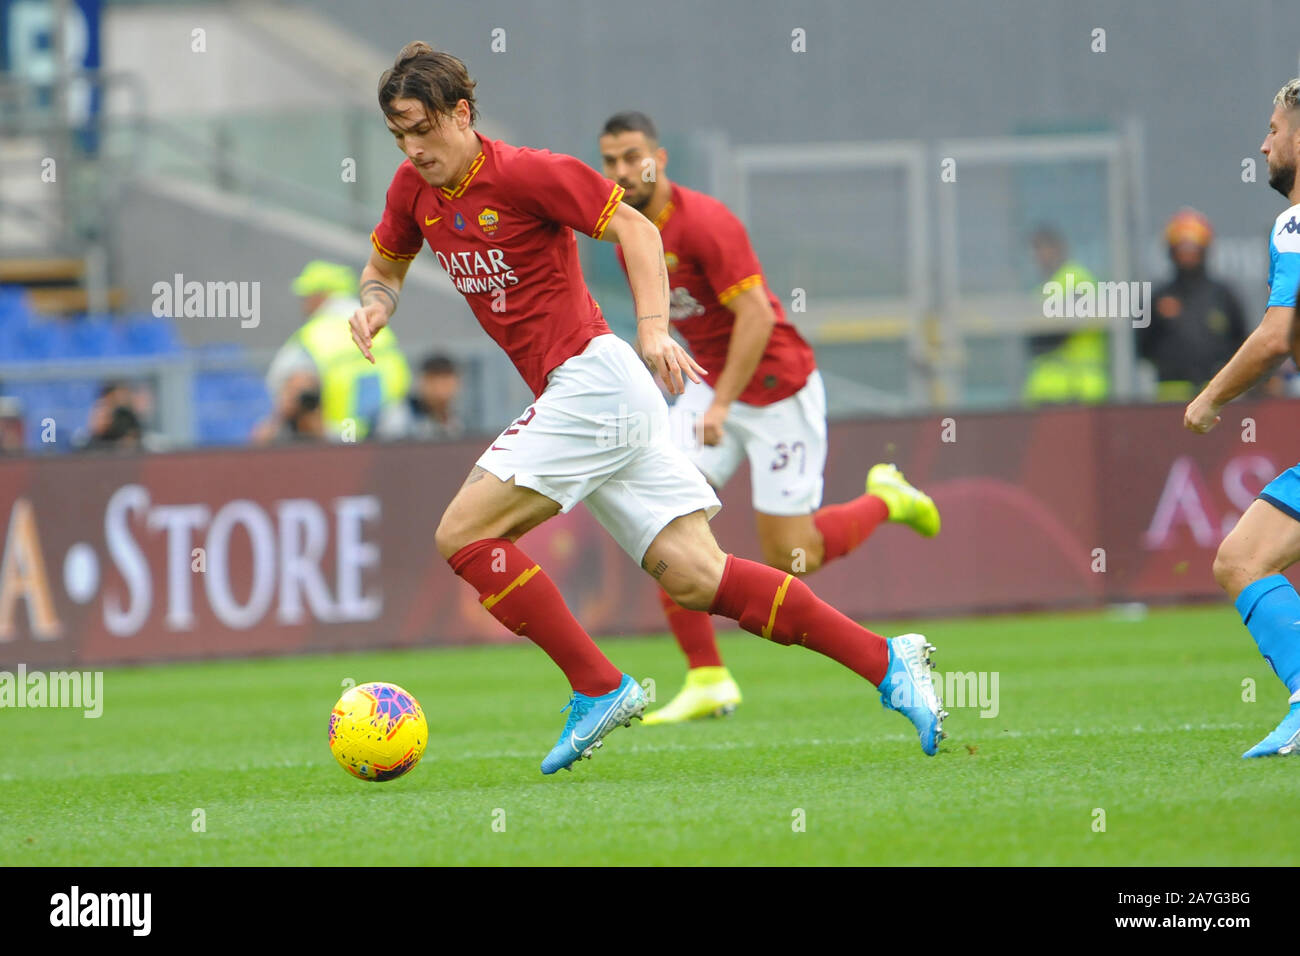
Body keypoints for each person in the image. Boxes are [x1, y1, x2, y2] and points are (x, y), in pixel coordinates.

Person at [349, 43, 947, 774]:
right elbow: (384, 268)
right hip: (592, 398)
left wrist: (654, 329)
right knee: (699, 576)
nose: (411, 150)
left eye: (421, 130)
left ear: (462, 114)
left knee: (463, 536)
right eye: (398, 136)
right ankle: (888, 661)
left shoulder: (529, 173)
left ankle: (598, 684)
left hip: (594, 383)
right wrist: (376, 306)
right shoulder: (412, 192)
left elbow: (636, 228)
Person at [597, 111, 941, 723]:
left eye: (632, 157)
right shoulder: (631, 233)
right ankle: (707, 677)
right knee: (662, 515)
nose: (622, 171)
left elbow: (755, 316)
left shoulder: (706, 222)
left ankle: (886, 498)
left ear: (660, 157)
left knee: (791, 557)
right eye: (610, 161)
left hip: (778, 390)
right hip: (710, 386)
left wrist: (723, 401)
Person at [1185, 77, 1300, 758]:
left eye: (1275, 129)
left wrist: (1210, 399)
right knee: (1243, 557)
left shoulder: (1296, 222)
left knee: (1242, 559)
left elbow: (1274, 337)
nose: (1263, 143)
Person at [266, 260, 411, 440]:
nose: (304, 304)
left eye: (306, 296)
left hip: (337, 437)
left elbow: (292, 387)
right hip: (387, 432)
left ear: (320, 295)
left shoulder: (314, 335)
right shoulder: (380, 328)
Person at [1140, 208, 1248, 402]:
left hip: (1216, 398)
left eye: (1193, 248)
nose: (1187, 255)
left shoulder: (1223, 296)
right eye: (1182, 249)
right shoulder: (1158, 297)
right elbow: (1141, 346)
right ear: (1171, 251)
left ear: (1204, 250)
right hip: (1169, 401)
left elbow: (1242, 343)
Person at [1023, 226, 1109, 404]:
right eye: (1036, 249)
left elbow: (1058, 332)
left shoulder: (1077, 279)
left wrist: (1043, 332)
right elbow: (1032, 342)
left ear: (1059, 249)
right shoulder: (1042, 288)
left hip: (1080, 389)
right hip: (1048, 391)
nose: (1039, 255)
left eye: (1044, 248)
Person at [373, 352, 465, 440]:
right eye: (434, 382)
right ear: (422, 382)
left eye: (446, 384)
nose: (440, 391)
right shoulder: (399, 415)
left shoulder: (456, 422)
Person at [251, 369, 327, 445]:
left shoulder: (316, 419)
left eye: (305, 392)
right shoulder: (275, 423)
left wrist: (310, 416)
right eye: (295, 390)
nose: (300, 398)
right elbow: (258, 445)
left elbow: (327, 444)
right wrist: (281, 414)